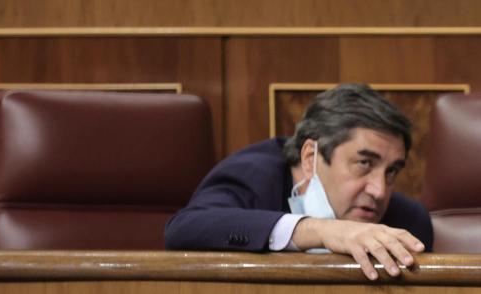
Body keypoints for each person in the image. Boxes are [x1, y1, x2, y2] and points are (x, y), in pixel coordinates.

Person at [165, 84, 432, 280]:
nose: (379, 190)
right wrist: (323, 231)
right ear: (309, 157)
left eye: (392, 171)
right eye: (364, 163)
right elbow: (184, 229)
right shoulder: (256, 175)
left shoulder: (406, 222)